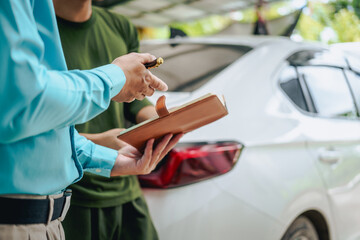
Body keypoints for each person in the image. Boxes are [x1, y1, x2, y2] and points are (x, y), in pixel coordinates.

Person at [0, 1, 182, 239]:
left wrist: (109, 157)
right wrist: (115, 78)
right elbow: (21, 102)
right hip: (35, 212)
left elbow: (41, 127)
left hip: (54, 216)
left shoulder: (117, 25)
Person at [53, 1, 160, 239]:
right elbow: (28, 116)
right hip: (70, 196)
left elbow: (136, 94)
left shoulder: (120, 25)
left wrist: (158, 121)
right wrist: (97, 142)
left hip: (126, 184)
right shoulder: (39, 30)